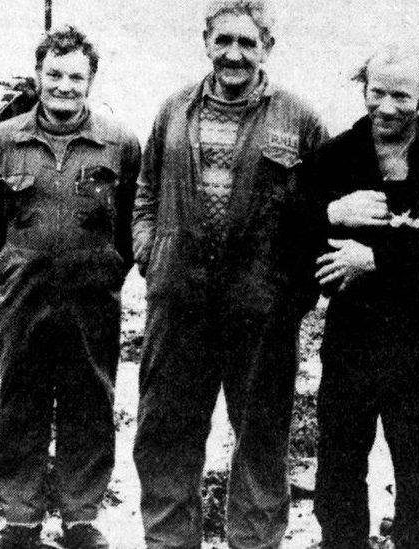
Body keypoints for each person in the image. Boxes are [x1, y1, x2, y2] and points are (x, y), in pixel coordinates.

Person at [131, 1, 328, 547]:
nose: (234, 54)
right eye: (224, 41)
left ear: (267, 47)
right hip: (180, 305)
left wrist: (296, 293)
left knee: (262, 441)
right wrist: (150, 252)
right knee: (167, 434)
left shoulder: (300, 119)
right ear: (207, 42)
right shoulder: (172, 111)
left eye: (247, 42)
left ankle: (254, 543)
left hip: (260, 311)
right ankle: (169, 541)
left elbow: (324, 212)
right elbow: (145, 192)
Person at [0, 25, 140, 549]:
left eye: (76, 77)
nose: (65, 86)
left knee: (90, 400)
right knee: (20, 397)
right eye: (54, 74)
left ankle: (80, 518)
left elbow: (135, 220)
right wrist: (12, 265)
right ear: (38, 75)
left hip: (93, 298)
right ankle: (20, 517)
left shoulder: (120, 143)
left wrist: (111, 266)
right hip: (25, 297)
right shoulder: (4, 140)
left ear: (91, 81)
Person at [310, 45, 419, 549]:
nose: (386, 106)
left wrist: (376, 260)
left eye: (401, 95)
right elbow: (302, 238)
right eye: (376, 92)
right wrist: (331, 214)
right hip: (349, 338)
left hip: (417, 339)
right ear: (363, 88)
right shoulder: (337, 155)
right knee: (338, 468)